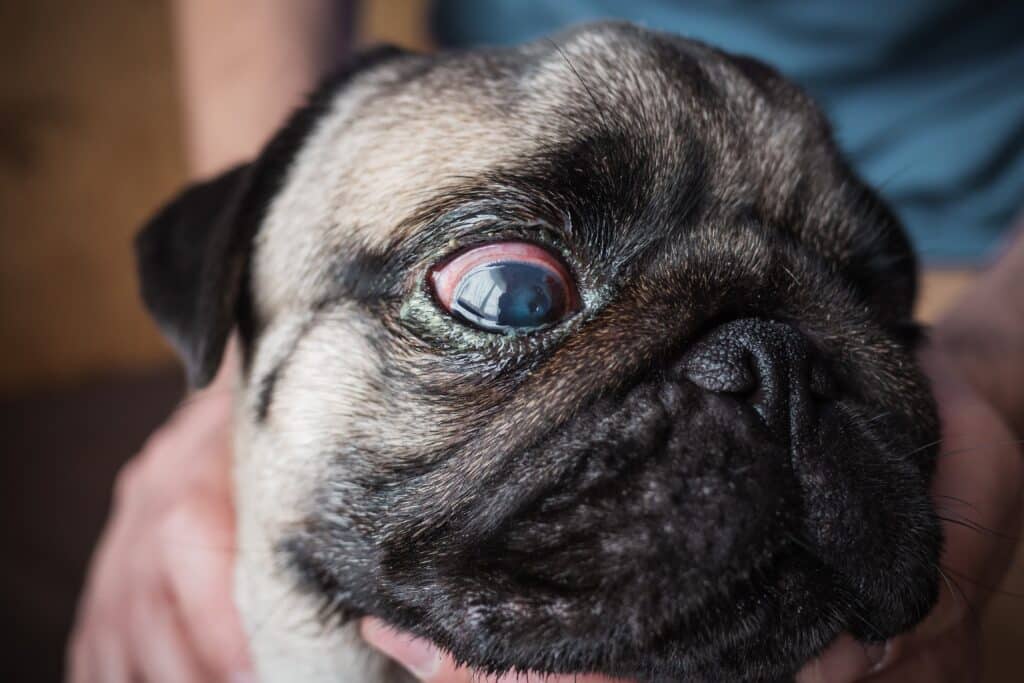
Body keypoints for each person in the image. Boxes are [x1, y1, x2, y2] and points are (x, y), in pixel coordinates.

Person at [69, 1, 1024, 681]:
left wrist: (976, 357)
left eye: (865, 302)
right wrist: (231, 371)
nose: (759, 378)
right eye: (510, 292)